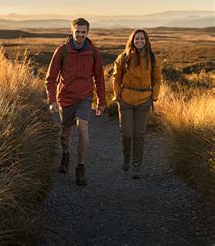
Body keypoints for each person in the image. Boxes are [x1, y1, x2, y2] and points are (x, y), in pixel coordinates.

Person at [46, 18, 106, 186]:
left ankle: (81, 167)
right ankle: (66, 154)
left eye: (83, 32)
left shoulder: (93, 51)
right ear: (72, 31)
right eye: (77, 32)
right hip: (65, 98)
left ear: (88, 33)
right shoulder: (62, 51)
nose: (80, 35)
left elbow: (99, 78)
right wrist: (52, 101)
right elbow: (50, 79)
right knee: (66, 134)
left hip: (85, 97)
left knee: (83, 128)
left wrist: (101, 100)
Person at [112, 29, 162, 179]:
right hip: (126, 100)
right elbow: (116, 78)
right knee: (127, 134)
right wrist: (117, 96)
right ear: (132, 40)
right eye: (137, 39)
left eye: (142, 39)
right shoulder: (124, 57)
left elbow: (157, 80)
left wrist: (154, 97)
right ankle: (126, 158)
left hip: (144, 101)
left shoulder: (153, 59)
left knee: (139, 135)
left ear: (146, 41)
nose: (139, 41)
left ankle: (136, 166)